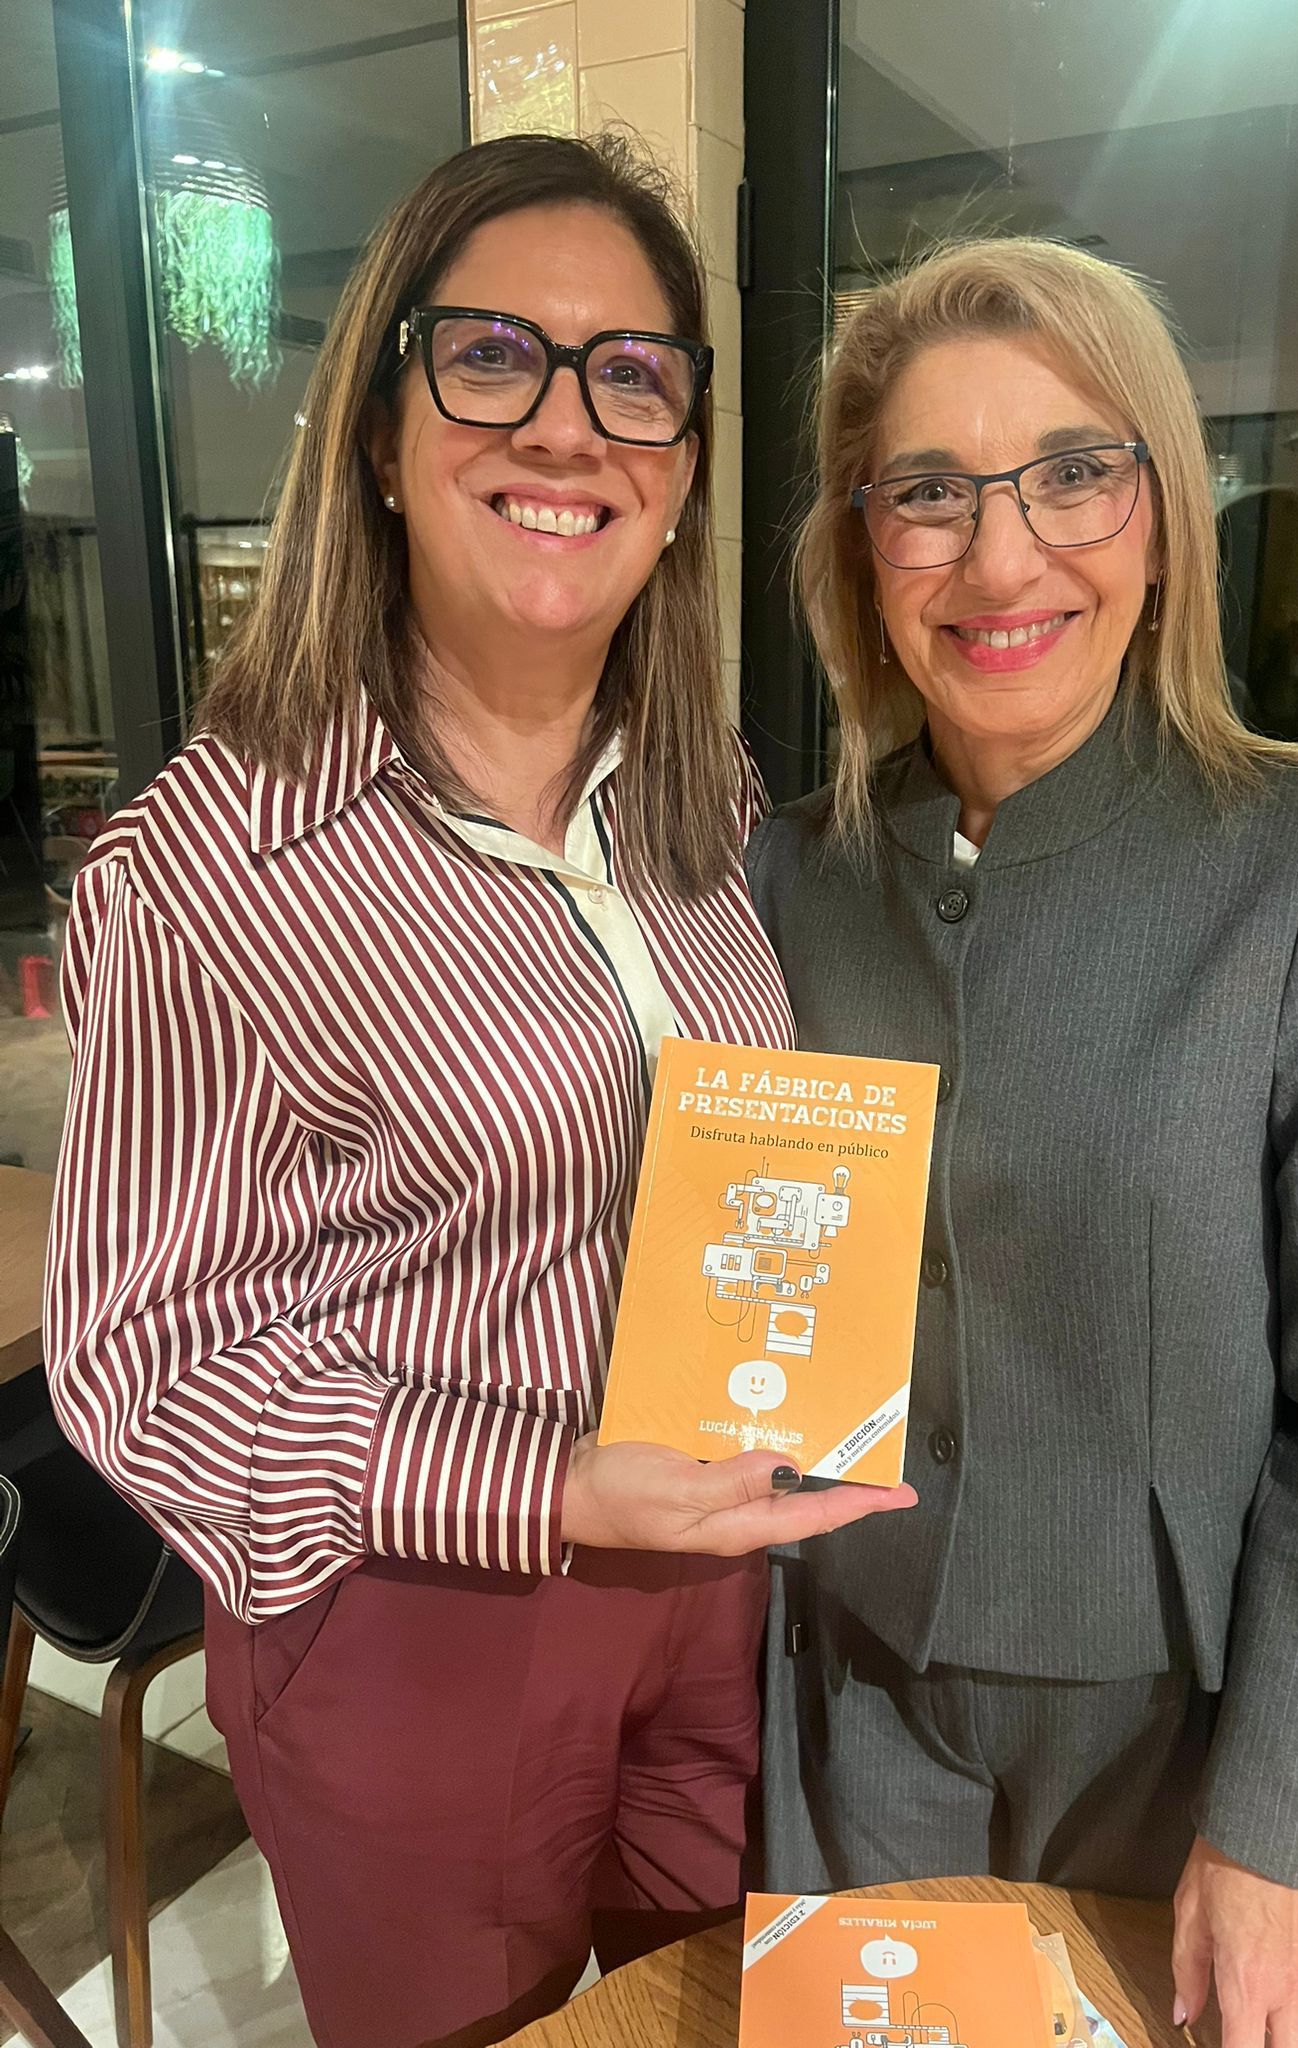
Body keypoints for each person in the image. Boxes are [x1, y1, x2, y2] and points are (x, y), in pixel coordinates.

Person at [44, 132, 911, 2048]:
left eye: (634, 377)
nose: (569, 425)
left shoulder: (700, 808)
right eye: (494, 356)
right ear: (378, 429)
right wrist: (545, 1483)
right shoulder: (212, 865)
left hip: (715, 1599)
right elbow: (150, 1363)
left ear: (682, 475)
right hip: (423, 1627)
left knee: (710, 2024)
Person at [746, 237, 1298, 2048]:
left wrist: (1289, 1829)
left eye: (1075, 470)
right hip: (843, 1698)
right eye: (930, 492)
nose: (1004, 556)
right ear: (861, 544)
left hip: (1177, 1735)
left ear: (1160, 514)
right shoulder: (790, 876)